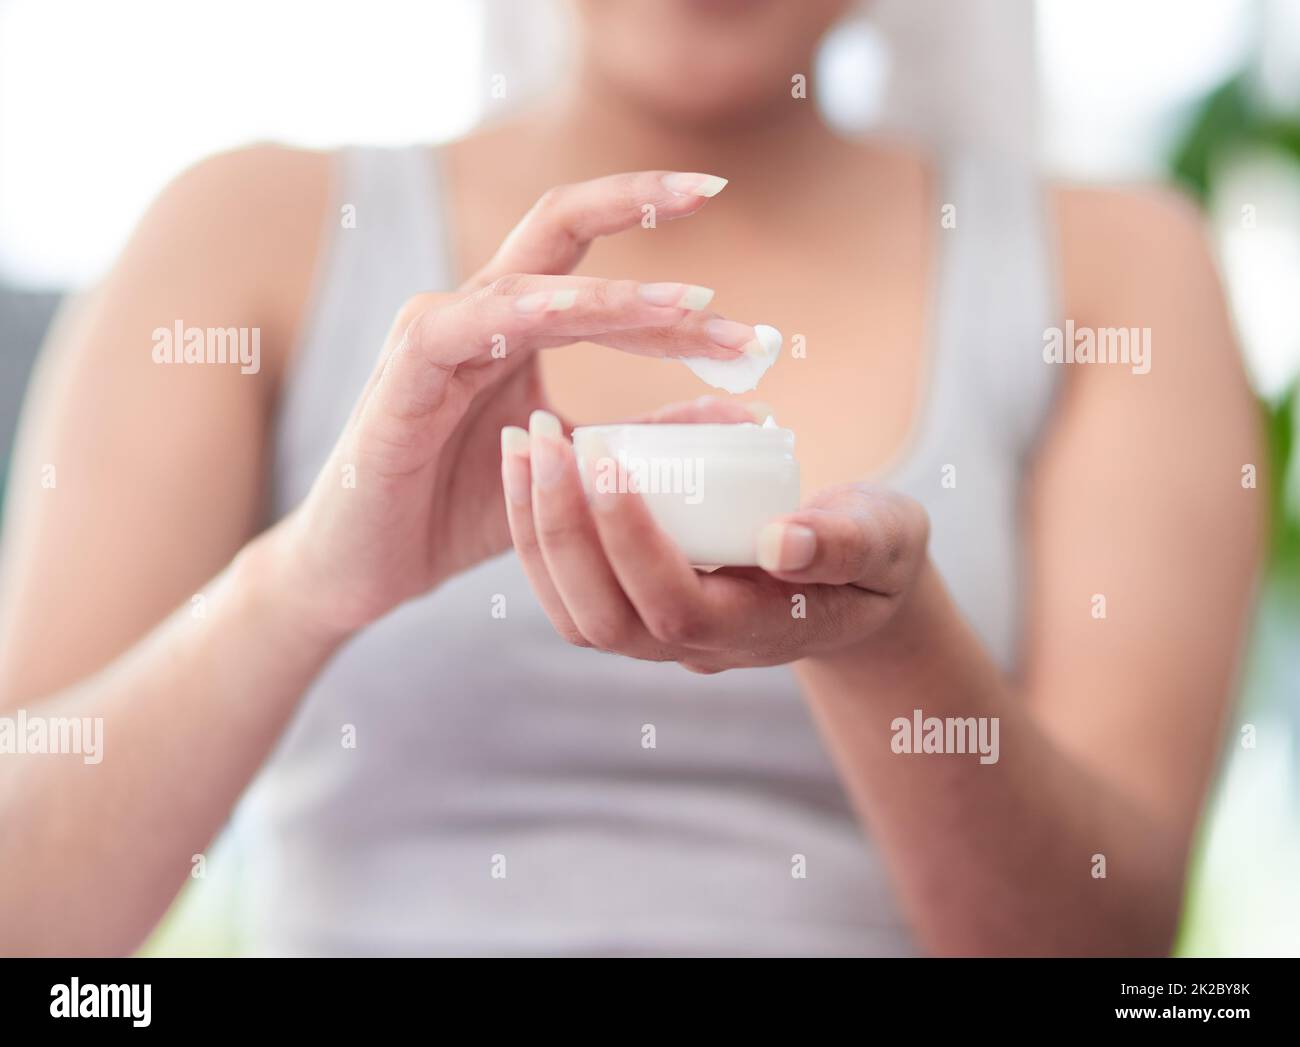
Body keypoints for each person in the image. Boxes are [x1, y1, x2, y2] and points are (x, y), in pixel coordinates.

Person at [0, 0, 1262, 955]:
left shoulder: (1119, 269)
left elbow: (1113, 951)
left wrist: (890, 651)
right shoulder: (248, 232)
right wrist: (301, 586)